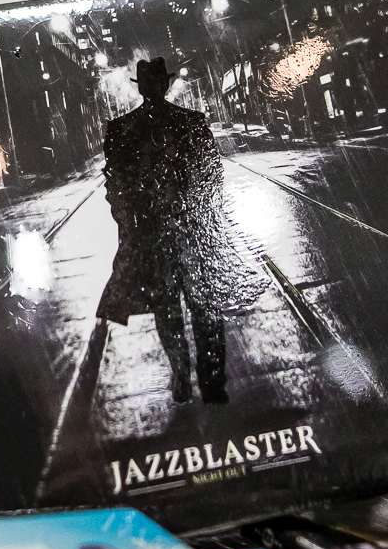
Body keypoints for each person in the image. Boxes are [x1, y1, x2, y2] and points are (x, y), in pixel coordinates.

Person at [96, 57, 265, 405]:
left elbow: (117, 190)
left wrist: (134, 223)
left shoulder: (123, 130)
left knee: (170, 309)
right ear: (163, 85)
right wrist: (198, 215)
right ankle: (208, 380)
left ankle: (183, 375)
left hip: (157, 237)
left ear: (144, 88)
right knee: (201, 307)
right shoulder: (189, 122)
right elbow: (211, 176)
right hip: (189, 233)